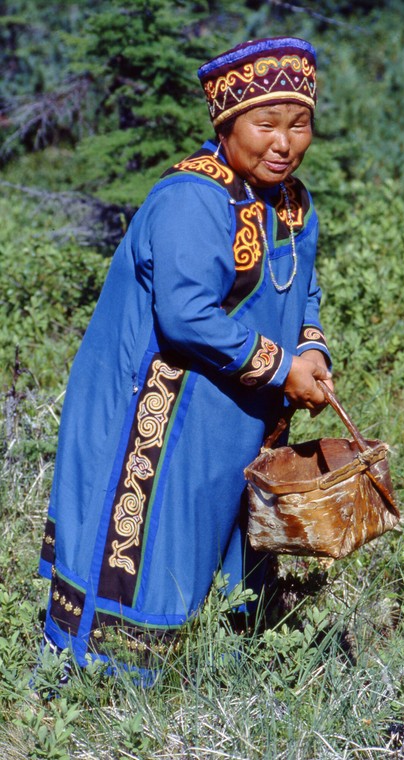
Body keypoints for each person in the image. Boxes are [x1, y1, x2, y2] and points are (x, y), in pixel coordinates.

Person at [38, 36, 333, 672]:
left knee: (230, 523)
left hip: (234, 401)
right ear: (227, 124)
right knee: (155, 533)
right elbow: (185, 316)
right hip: (158, 401)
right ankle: (103, 685)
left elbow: (305, 290)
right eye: (265, 124)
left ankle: (223, 665)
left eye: (299, 124)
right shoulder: (192, 199)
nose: (284, 143)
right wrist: (284, 368)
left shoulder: (293, 204)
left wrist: (312, 349)